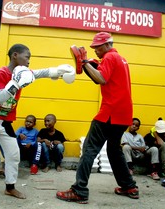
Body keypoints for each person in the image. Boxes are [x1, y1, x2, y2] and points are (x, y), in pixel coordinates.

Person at [0, 43, 75, 208]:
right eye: (27, 57)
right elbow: (0, 98)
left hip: (4, 121)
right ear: (15, 55)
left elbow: (40, 73)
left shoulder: (24, 73)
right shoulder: (1, 74)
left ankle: (10, 187)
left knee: (13, 155)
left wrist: (58, 71)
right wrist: (16, 84)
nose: (29, 61)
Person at [56, 32, 138, 204]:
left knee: (89, 149)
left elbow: (100, 78)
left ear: (107, 44)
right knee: (114, 150)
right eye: (93, 47)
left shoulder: (109, 57)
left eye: (97, 47)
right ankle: (129, 186)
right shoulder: (121, 59)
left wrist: (85, 63)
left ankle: (79, 190)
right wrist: (90, 64)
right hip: (123, 115)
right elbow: (103, 75)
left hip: (110, 113)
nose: (95, 50)